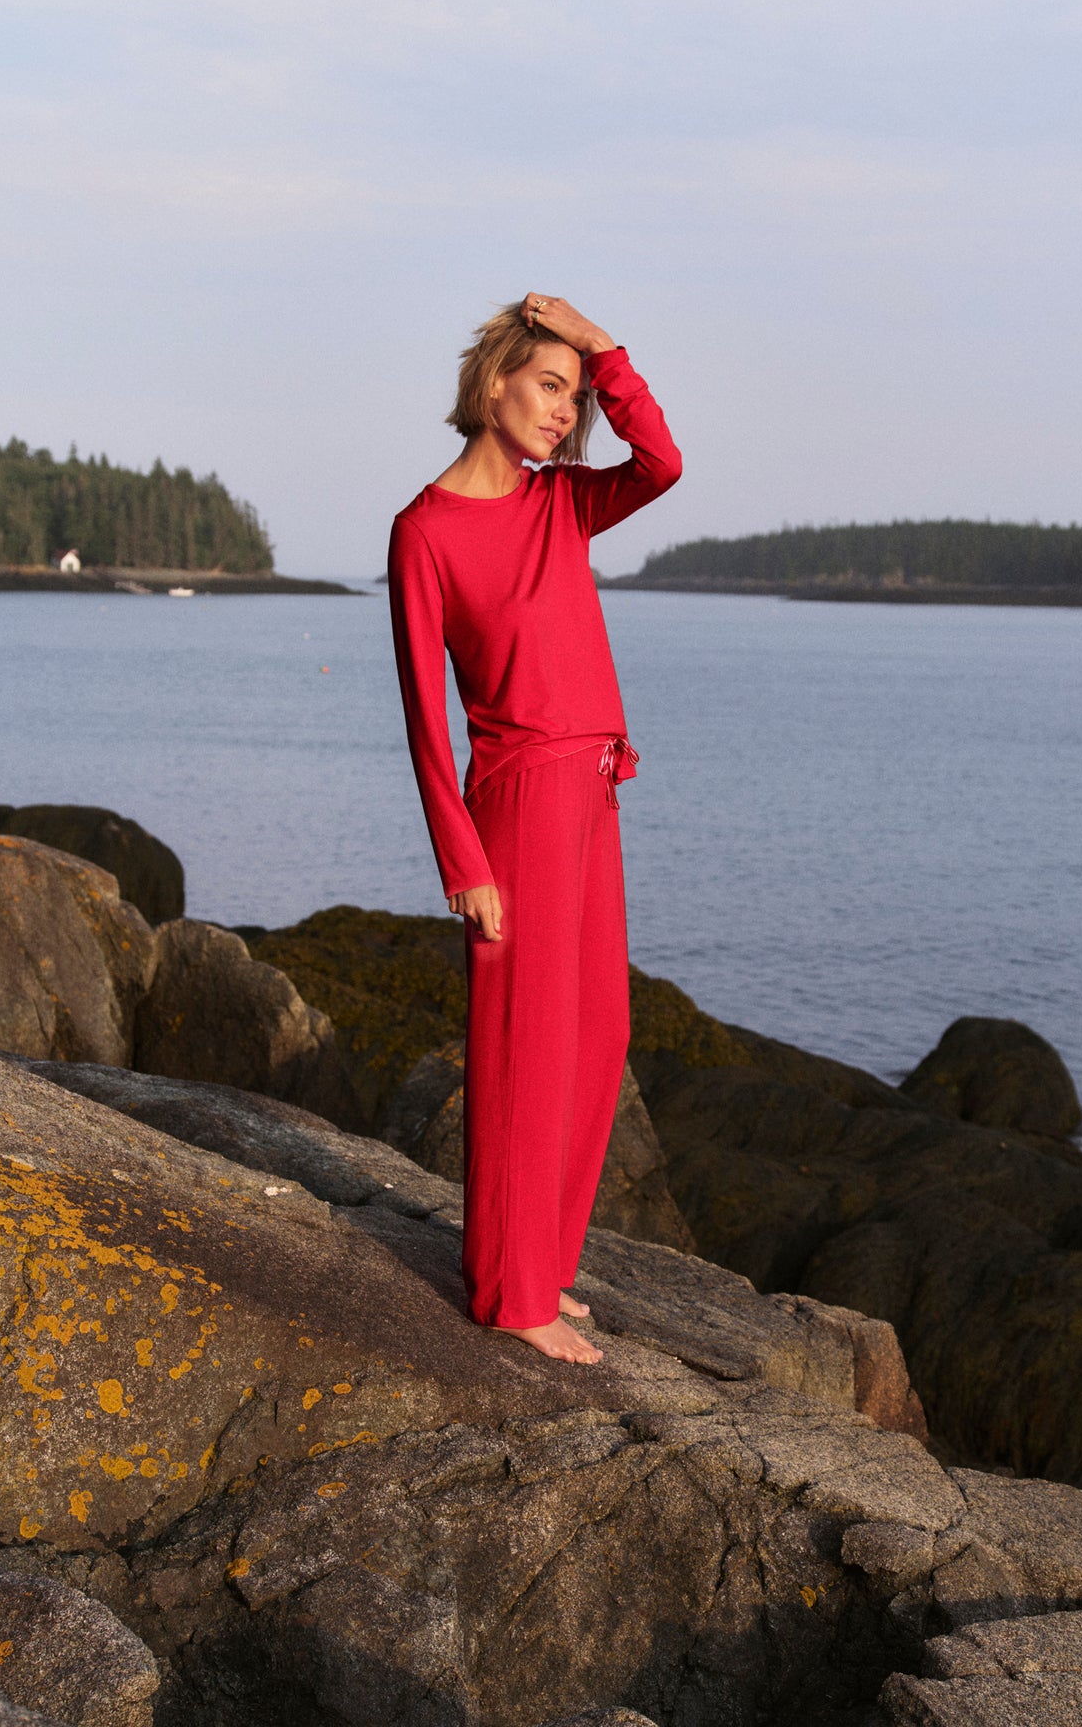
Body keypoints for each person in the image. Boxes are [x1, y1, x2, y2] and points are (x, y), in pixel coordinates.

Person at [388, 293, 682, 1364]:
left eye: (576, 397)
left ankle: (543, 1263)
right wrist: (461, 861)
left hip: (593, 792)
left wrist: (605, 351)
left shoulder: (562, 503)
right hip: (516, 807)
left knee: (598, 1034)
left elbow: (662, 464)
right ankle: (513, 1297)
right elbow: (425, 718)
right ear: (495, 381)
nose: (565, 412)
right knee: (525, 1049)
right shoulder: (423, 532)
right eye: (550, 386)